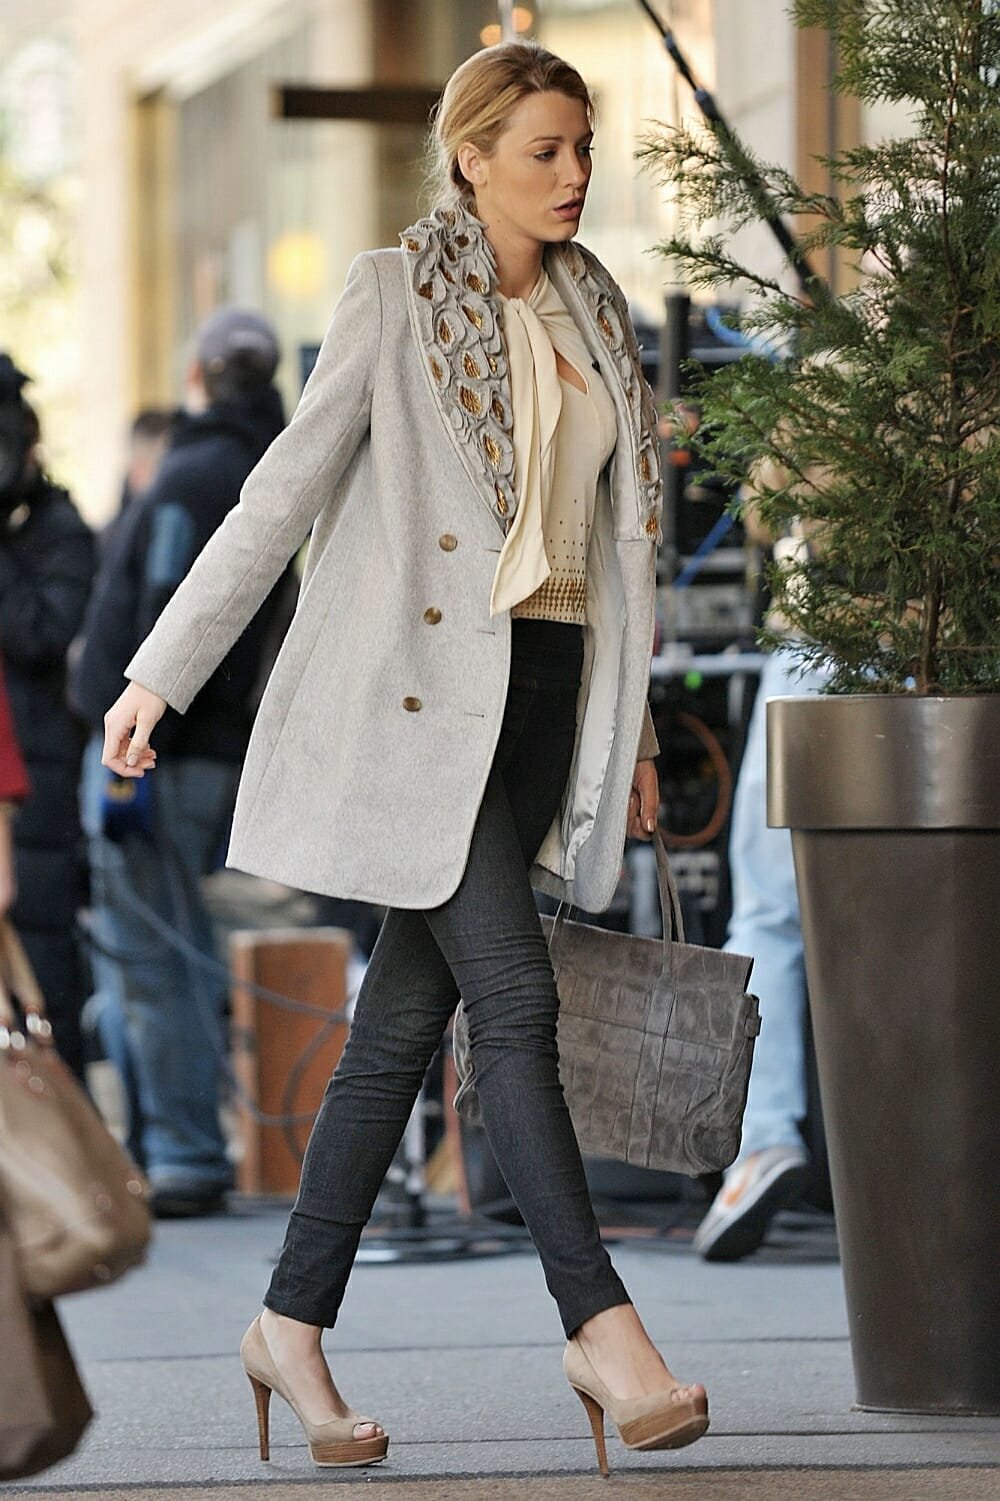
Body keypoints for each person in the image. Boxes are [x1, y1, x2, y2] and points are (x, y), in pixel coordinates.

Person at [102, 42, 707, 1475]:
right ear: (471, 156)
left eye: (583, 148)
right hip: (421, 713)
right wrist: (160, 671)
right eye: (545, 150)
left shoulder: (597, 310)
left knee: (393, 1034)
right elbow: (279, 494)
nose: (574, 174)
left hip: (548, 701)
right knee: (515, 999)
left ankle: (287, 1325)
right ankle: (602, 1325)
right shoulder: (393, 293)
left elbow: (612, 559)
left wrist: (625, 733)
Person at [73, 313, 286, 1217]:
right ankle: (175, 1146)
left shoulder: (193, 475)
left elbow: (163, 613)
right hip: (202, 749)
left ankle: (182, 1154)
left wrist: (131, 738)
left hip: (152, 749)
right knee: (169, 945)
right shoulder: (264, 466)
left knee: (152, 955)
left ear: (198, 374)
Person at [693, 461, 829, 1262]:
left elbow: (767, 503)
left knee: (771, 915)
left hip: (823, 645)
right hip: (957, 646)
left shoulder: (815, 389)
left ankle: (764, 1137)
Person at [0, 354, 95, 1078]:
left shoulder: (59, 530)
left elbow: (40, 635)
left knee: (41, 968)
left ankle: (65, 1128)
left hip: (35, 780)